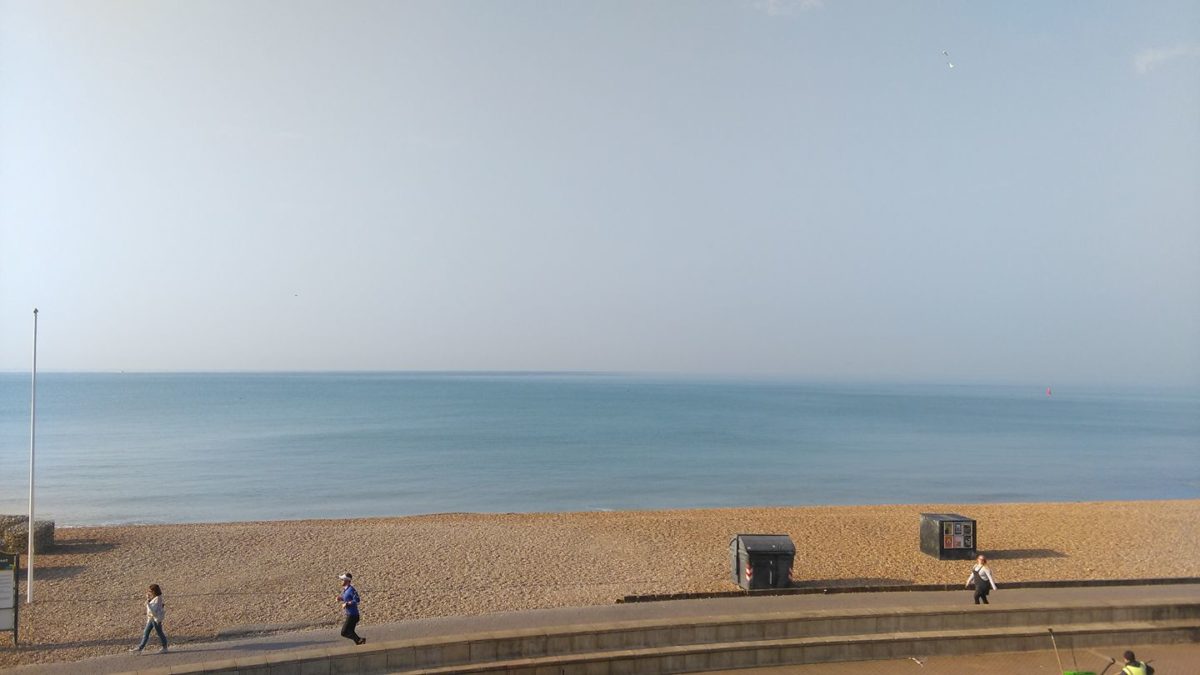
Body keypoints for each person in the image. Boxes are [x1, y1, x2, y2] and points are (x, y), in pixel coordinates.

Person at [130, 584, 168, 653]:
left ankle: (165, 648)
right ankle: (140, 648)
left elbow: (153, 610)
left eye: (150, 591)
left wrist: (148, 603)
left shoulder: (158, 599)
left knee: (159, 633)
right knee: (146, 632)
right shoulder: (155, 597)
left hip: (155, 619)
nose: (149, 592)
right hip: (151, 618)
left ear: (154, 591)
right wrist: (148, 599)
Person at [336, 572, 366, 645]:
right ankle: (360, 643)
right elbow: (347, 598)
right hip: (350, 614)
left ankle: (360, 640)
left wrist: (346, 604)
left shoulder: (351, 589)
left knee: (344, 632)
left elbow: (357, 600)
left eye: (342, 580)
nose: (341, 581)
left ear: (346, 581)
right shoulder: (346, 590)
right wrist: (341, 598)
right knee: (351, 632)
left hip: (353, 615)